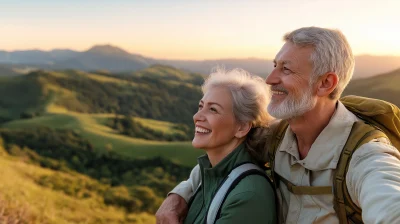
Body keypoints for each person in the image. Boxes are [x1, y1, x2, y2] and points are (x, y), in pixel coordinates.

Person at [156, 27, 400, 224]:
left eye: (286, 69)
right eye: (275, 66)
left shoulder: (367, 157)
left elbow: (389, 202)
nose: (270, 80)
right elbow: (222, 160)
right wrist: (179, 194)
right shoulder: (277, 135)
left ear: (325, 83)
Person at [181, 68, 277, 224]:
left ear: (242, 127)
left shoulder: (249, 195)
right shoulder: (211, 176)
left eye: (213, 109)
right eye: (201, 106)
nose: (197, 117)